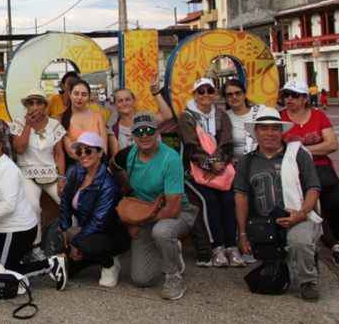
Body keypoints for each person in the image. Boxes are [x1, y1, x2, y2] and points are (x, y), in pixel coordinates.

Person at [234, 107, 322, 302]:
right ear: (255, 132)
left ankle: (308, 280)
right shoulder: (246, 162)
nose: (270, 133)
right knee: (272, 277)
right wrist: (242, 233)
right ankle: (293, 260)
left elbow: (313, 188)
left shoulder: (298, 154)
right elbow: (241, 197)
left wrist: (302, 213)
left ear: (282, 132)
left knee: (299, 241)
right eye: (264, 128)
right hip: (265, 222)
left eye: (275, 128)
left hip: (299, 216)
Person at [0, 126, 68, 291]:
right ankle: (16, 262)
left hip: (17, 229)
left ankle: (51, 264)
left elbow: (9, 205)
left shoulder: (6, 168)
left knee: (2, 272)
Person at [111, 112, 197, 301]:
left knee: (162, 232)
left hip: (175, 214)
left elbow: (172, 210)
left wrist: (137, 222)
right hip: (146, 212)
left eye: (149, 130)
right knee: (142, 279)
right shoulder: (129, 154)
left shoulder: (171, 159)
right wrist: (126, 185)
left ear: (158, 132)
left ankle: (173, 276)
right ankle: (170, 251)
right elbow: (113, 167)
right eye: (139, 131)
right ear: (132, 135)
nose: (144, 135)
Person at [279, 79, 339, 267]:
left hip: (322, 168)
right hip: (295, 172)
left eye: (295, 95)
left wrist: (300, 149)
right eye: (286, 95)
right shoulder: (280, 117)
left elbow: (332, 144)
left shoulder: (318, 116)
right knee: (311, 208)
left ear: (306, 98)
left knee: (338, 201)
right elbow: (278, 147)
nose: (289, 99)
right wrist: (315, 148)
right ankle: (333, 245)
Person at [178, 77, 241, 268]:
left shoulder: (222, 116)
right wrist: (210, 163)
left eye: (209, 91)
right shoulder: (186, 117)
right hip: (194, 171)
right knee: (209, 200)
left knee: (230, 199)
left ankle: (232, 245)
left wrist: (218, 163)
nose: (205, 95)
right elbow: (191, 146)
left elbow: (227, 143)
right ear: (195, 94)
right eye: (201, 91)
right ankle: (216, 246)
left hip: (220, 169)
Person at [59, 132, 129, 287]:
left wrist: (75, 243)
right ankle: (89, 258)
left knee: (88, 246)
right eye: (79, 151)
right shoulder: (78, 172)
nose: (83, 155)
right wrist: (64, 228)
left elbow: (99, 222)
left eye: (88, 150)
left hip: (109, 233)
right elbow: (65, 199)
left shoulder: (108, 184)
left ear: (100, 153)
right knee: (63, 265)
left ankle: (109, 264)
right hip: (86, 230)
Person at [10, 88, 65, 258]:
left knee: (67, 201)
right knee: (33, 206)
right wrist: (28, 125)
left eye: (39, 102)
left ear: (45, 105)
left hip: (50, 172)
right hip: (27, 173)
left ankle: (69, 241)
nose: (35, 106)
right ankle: (36, 248)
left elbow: (59, 153)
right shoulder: (19, 123)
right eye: (31, 102)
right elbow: (19, 149)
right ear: (26, 106)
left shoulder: (54, 125)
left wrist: (62, 177)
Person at [107, 80, 174, 157]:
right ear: (115, 105)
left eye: (128, 99)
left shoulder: (148, 117)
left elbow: (167, 115)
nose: (125, 103)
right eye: (120, 101)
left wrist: (156, 93)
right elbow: (117, 158)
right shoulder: (114, 130)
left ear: (134, 102)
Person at [61, 80, 108, 166]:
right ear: (69, 94)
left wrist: (96, 163)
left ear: (89, 96)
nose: (80, 98)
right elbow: (70, 151)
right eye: (76, 94)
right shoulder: (62, 118)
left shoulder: (98, 115)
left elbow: (104, 146)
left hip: (98, 163)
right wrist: (87, 161)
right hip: (76, 165)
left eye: (84, 94)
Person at [222, 79, 262, 163]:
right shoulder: (223, 117)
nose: (234, 97)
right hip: (238, 165)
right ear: (225, 98)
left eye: (238, 93)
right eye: (229, 94)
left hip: (262, 162)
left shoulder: (261, 111)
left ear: (244, 94)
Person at [46, 71, 111, 121]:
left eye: (75, 84)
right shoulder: (52, 100)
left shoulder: (81, 102)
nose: (72, 86)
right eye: (69, 83)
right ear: (62, 86)